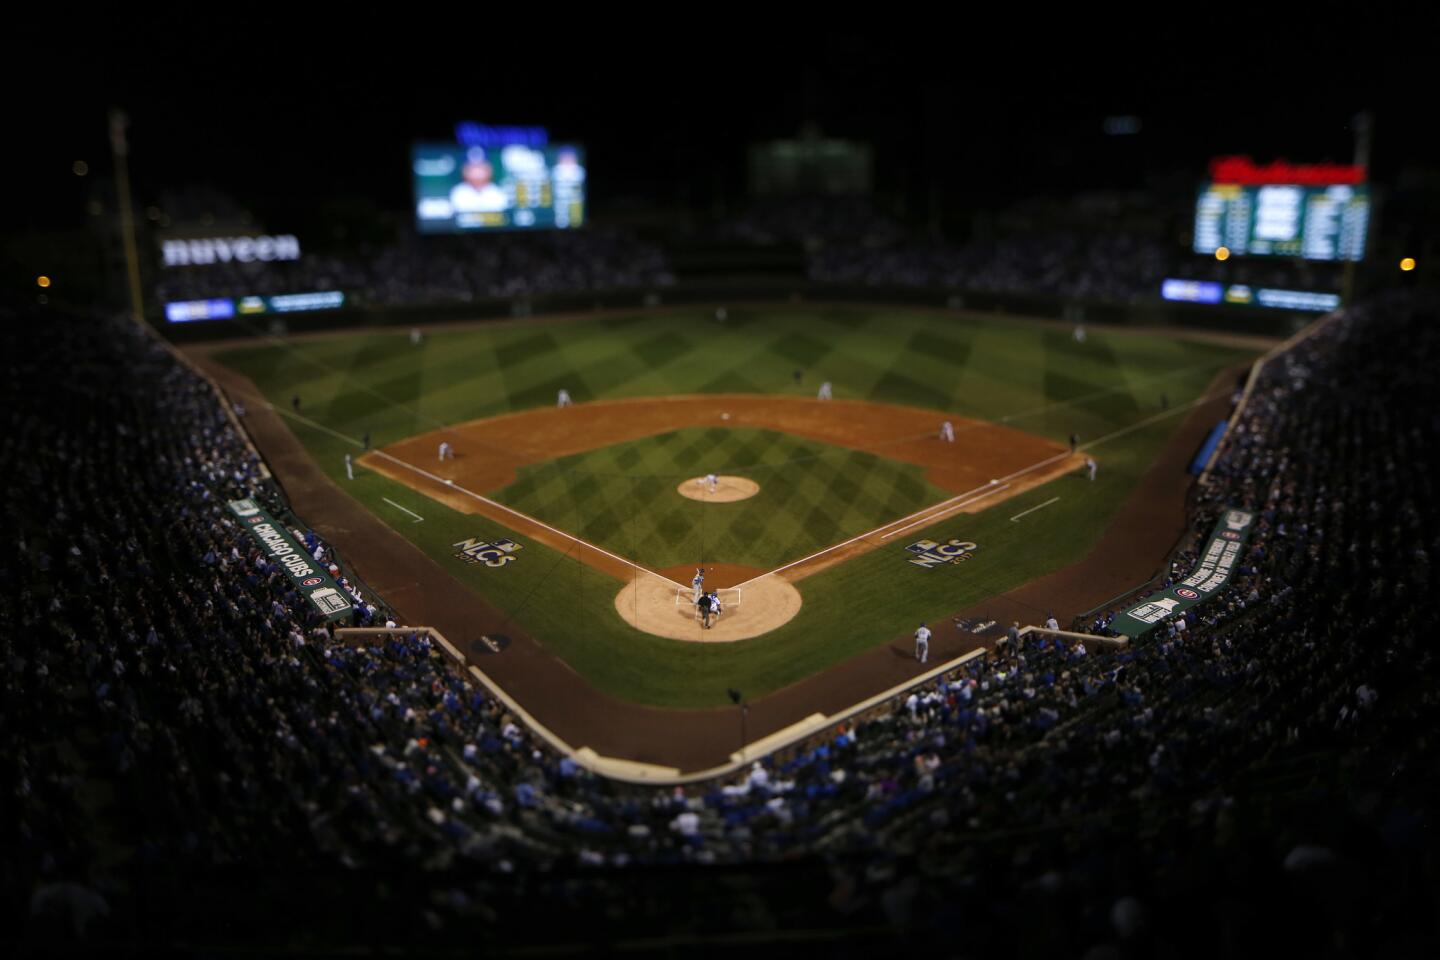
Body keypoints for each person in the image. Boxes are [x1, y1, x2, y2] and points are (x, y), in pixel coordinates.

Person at [449, 147, 509, 213]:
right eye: (473, 168)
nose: (477, 172)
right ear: (464, 171)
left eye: (480, 168)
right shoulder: (458, 192)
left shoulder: (497, 193)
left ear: (489, 170)